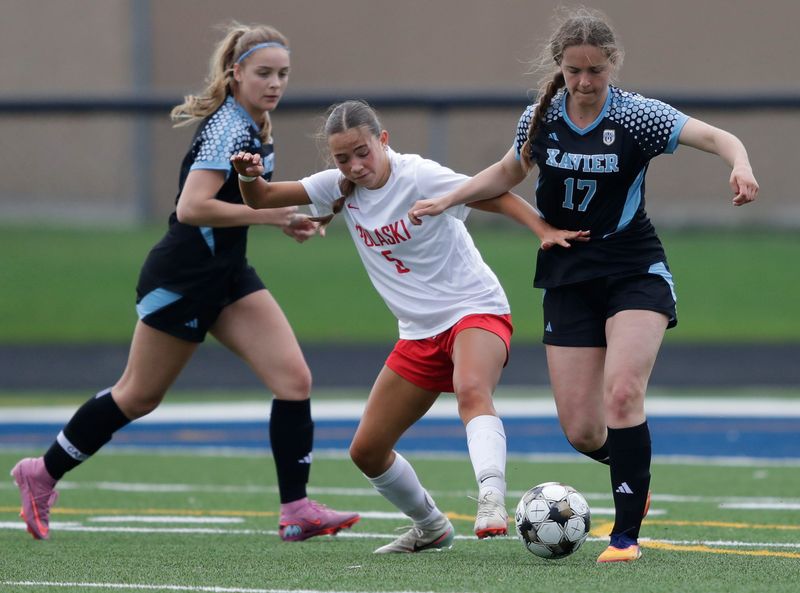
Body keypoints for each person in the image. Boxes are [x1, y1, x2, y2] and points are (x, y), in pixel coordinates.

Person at [407, 8, 758, 563]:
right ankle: (633, 470)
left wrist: (739, 164)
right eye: (575, 71)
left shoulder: (638, 116)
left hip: (633, 269)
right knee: (582, 429)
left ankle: (624, 537)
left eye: (596, 70)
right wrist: (451, 197)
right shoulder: (540, 116)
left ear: (612, 64)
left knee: (623, 393)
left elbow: (717, 136)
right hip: (568, 276)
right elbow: (507, 172)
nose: (586, 81)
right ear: (560, 67)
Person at [10, 22, 359, 543]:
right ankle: (40, 473)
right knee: (138, 395)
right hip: (183, 276)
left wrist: (292, 217)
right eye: (264, 73)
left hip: (226, 275)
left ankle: (296, 509)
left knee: (294, 380)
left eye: (283, 74)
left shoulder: (257, 123)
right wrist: (272, 219)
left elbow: (244, 200)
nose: (275, 83)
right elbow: (191, 208)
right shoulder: (229, 127)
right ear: (235, 73)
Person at [230, 99, 588, 553]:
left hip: (473, 308)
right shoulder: (336, 186)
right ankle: (431, 527)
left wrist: (540, 229)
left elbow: (492, 194)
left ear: (383, 141)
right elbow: (262, 197)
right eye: (343, 158)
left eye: (363, 152)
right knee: (367, 450)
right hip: (418, 332)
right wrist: (246, 175)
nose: (356, 165)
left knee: (471, 390)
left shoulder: (418, 176)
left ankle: (492, 496)